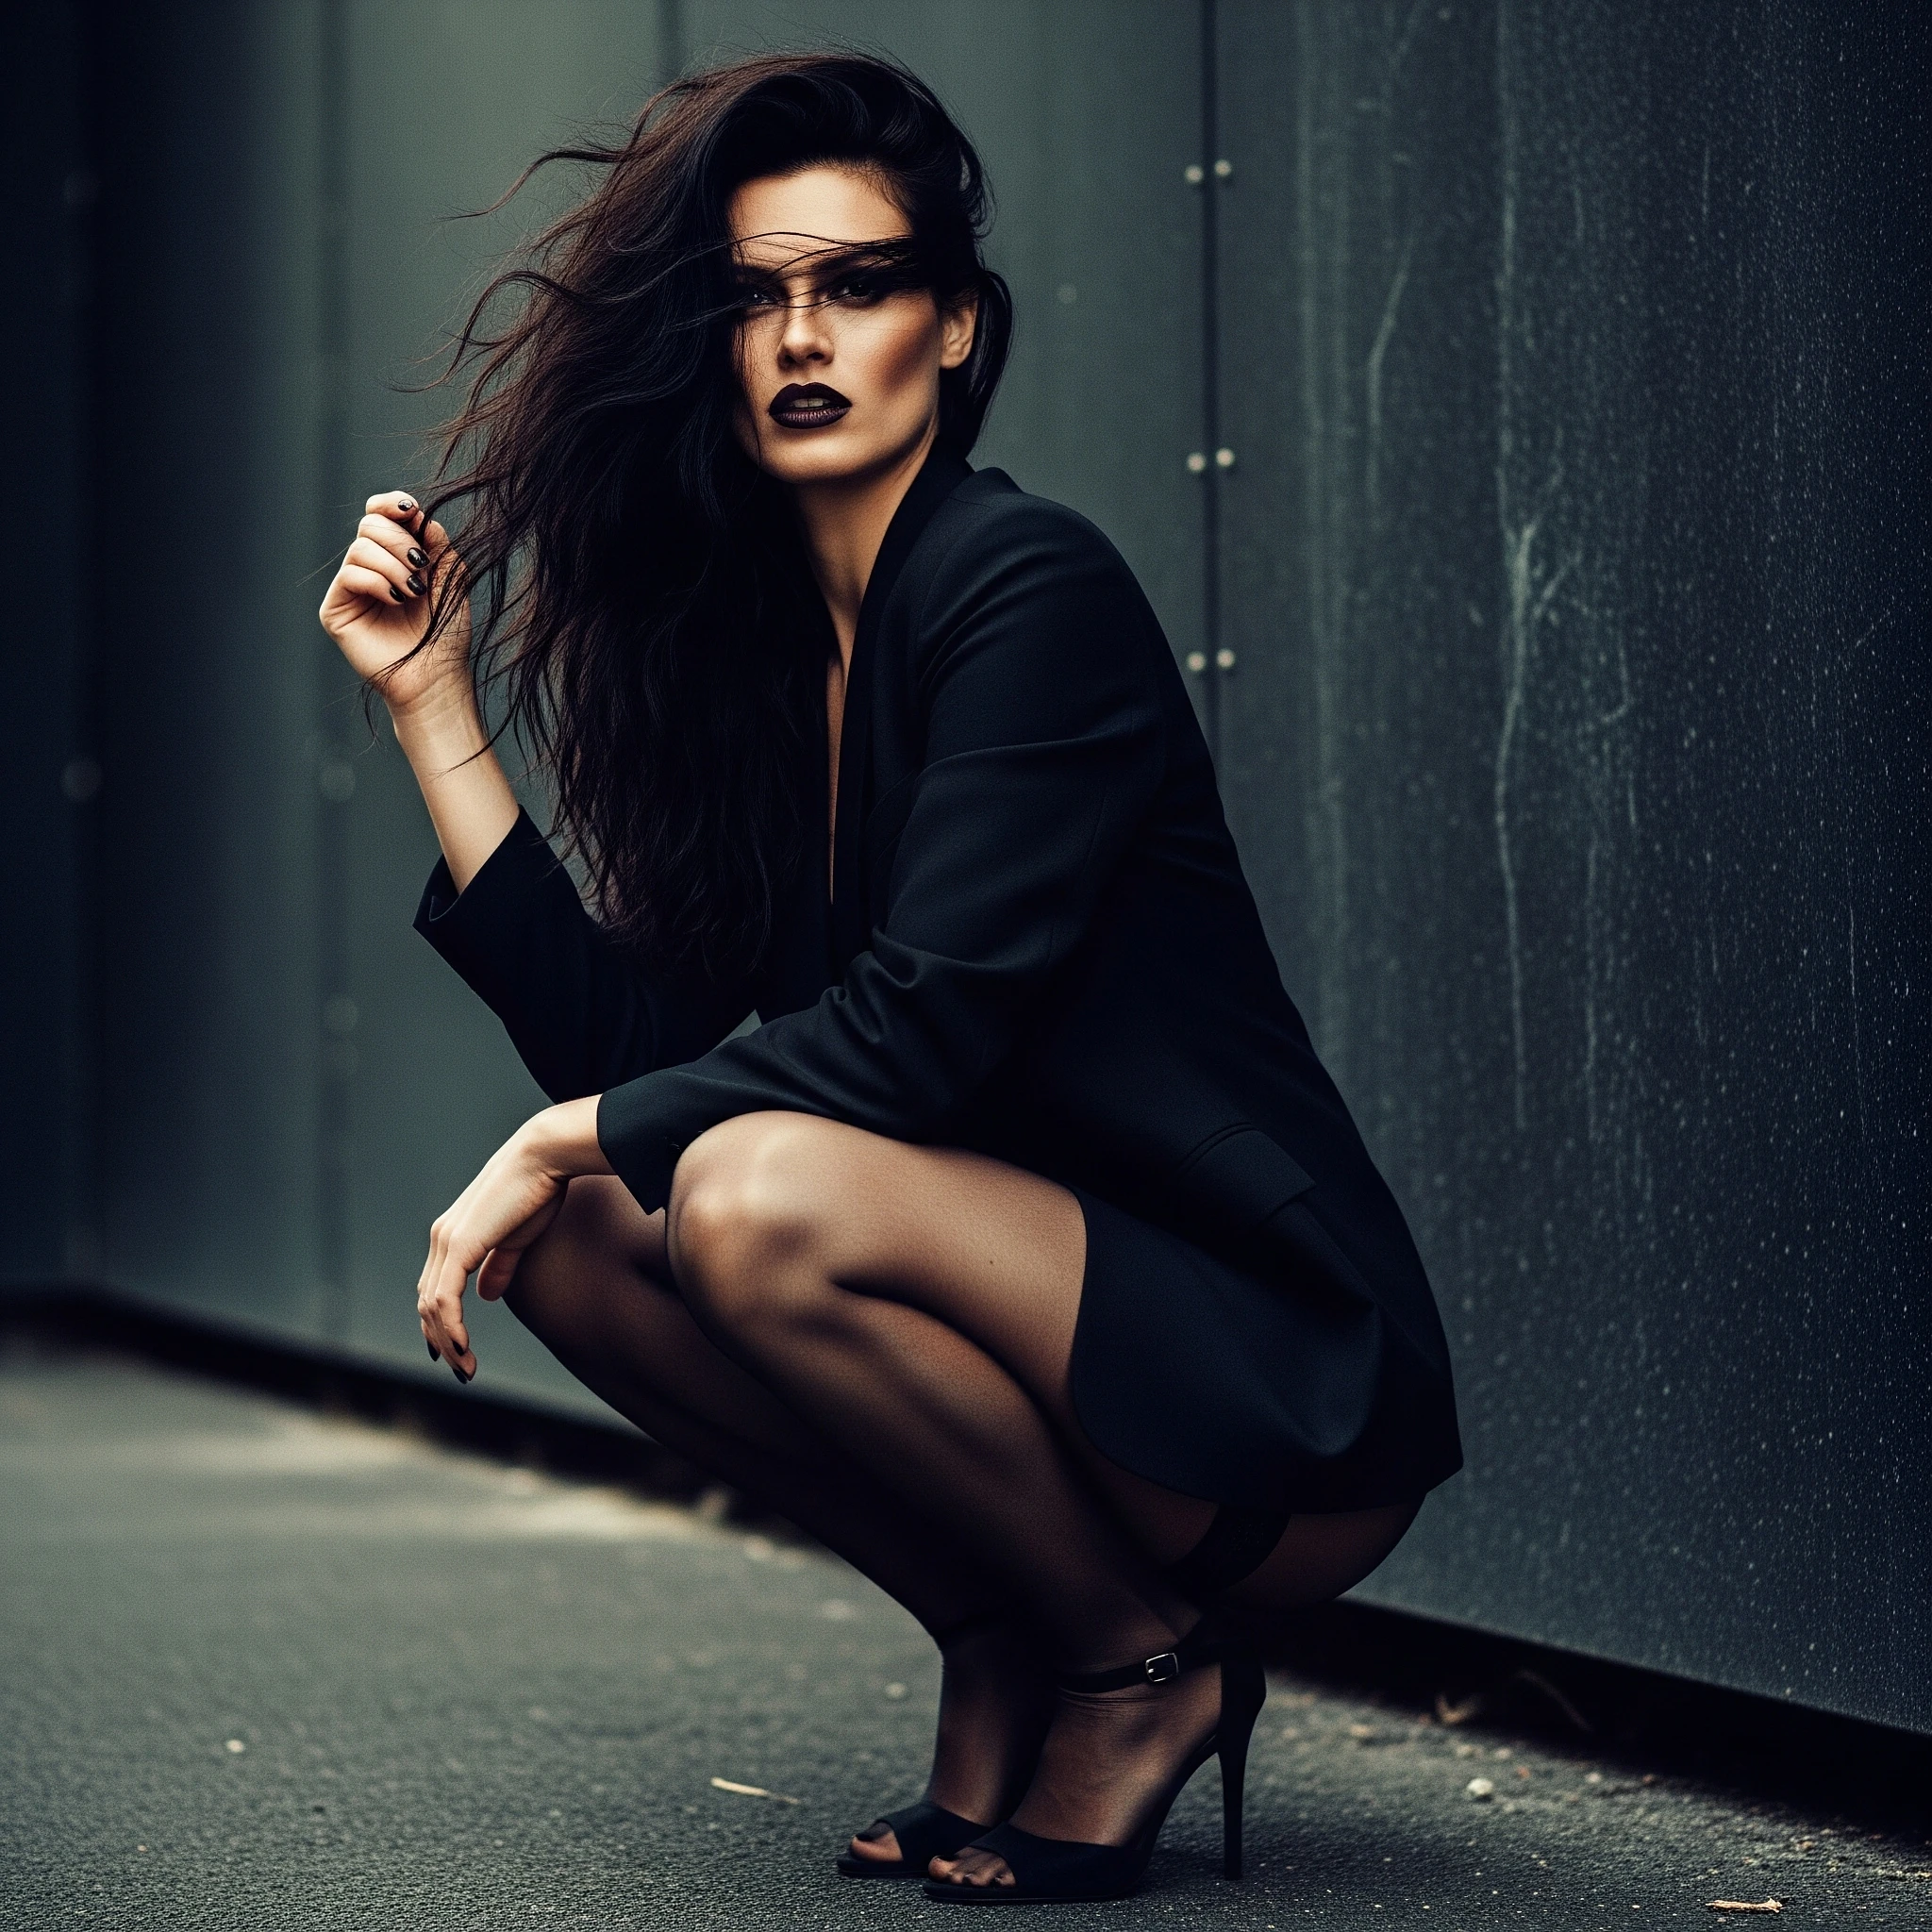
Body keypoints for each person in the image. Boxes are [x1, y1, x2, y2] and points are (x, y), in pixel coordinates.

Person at [318, 51, 1459, 1905]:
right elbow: (642, 1051)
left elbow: (916, 1038)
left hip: (1263, 1391)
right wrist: (435, 705)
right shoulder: (774, 667)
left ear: (954, 326)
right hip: (1047, 1334)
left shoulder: (1027, 589)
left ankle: (1136, 1667)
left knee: (743, 1193)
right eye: (754, 297)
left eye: (855, 286)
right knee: (591, 1233)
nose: (801, 336)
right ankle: (1006, 1633)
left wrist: (552, 1136)